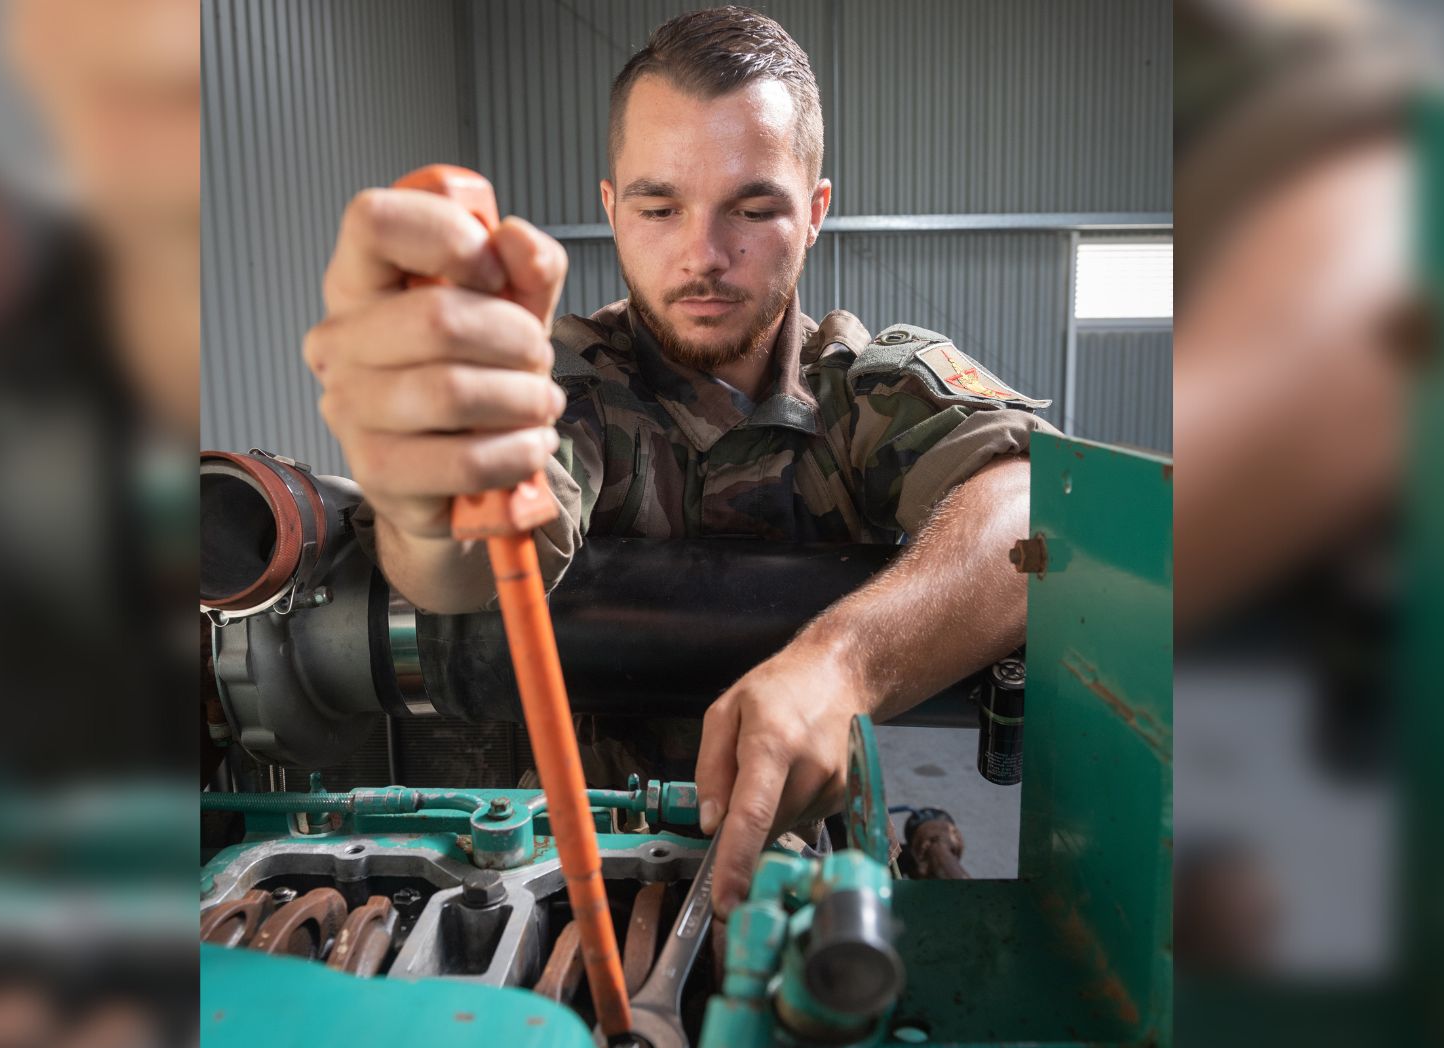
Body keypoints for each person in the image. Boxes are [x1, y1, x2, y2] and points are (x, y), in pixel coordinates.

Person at [305, 6, 1056, 916]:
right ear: (612, 209)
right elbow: (474, 560)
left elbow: (1033, 508)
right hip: (555, 880)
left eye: (753, 208)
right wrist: (431, 489)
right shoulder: (559, 385)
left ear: (815, 214)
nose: (705, 255)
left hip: (798, 878)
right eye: (661, 208)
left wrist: (843, 663)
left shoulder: (868, 390)